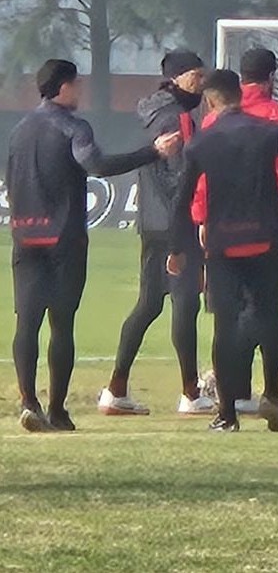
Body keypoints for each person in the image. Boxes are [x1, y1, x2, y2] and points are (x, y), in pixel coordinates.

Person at [8, 59, 180, 432]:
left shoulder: (20, 130)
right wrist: (152, 152)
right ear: (64, 88)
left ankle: (27, 401)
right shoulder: (73, 127)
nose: (81, 91)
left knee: (27, 322)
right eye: (77, 84)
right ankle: (56, 409)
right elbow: (96, 165)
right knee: (62, 324)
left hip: (25, 235)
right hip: (63, 238)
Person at [168, 69, 278, 432]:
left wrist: (178, 247)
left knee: (224, 325)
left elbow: (181, 198)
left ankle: (227, 413)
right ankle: (272, 393)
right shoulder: (269, 132)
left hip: (223, 244)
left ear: (210, 100)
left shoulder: (202, 142)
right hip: (267, 239)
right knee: (269, 316)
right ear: (238, 94)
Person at [101, 51, 215, 418]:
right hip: (173, 223)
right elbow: (179, 178)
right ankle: (190, 392)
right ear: (177, 78)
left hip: (151, 221)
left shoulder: (150, 111)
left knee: (149, 304)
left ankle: (116, 389)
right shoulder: (176, 117)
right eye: (196, 76)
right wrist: (186, 230)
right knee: (185, 304)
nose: (201, 83)